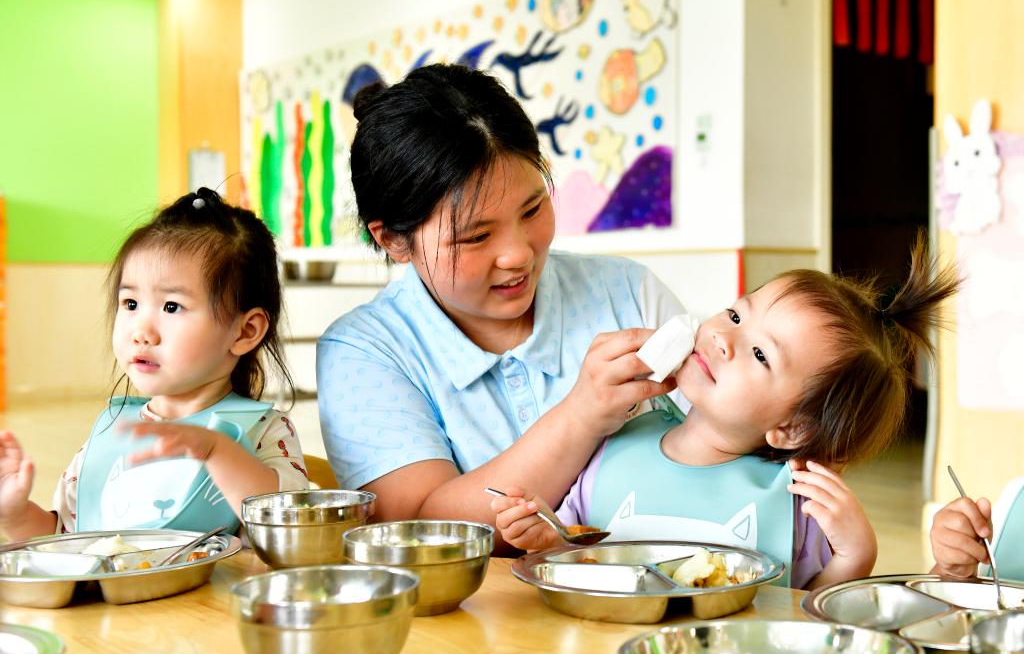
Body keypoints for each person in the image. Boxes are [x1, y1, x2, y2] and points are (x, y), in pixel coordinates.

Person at [317, 64, 684, 548]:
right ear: (393, 241)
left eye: (532, 210)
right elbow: (415, 531)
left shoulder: (626, 292)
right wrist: (582, 415)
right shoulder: (364, 351)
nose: (518, 254)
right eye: (475, 236)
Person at [492, 236, 959, 589]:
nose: (722, 337)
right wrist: (544, 537)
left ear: (790, 428)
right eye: (736, 315)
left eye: (760, 354)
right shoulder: (619, 439)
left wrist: (853, 558)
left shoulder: (795, 503)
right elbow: (575, 545)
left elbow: (804, 618)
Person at [0, 188, 309, 540]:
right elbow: (68, 540)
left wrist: (217, 450)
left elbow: (294, 529)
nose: (141, 332)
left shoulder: (263, 432)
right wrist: (15, 515)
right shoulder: (111, 431)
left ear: (245, 331)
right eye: (130, 304)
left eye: (171, 307)